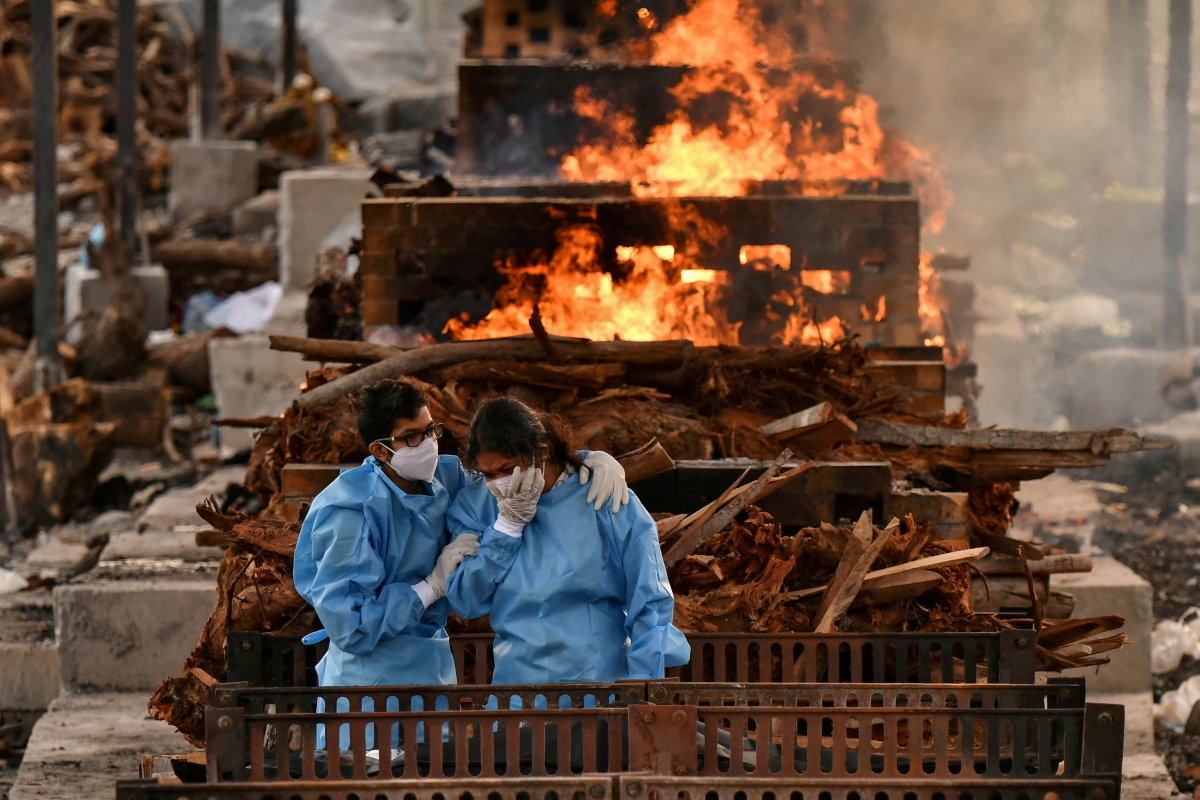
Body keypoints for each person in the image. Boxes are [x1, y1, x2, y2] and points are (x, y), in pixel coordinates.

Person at [293, 378, 631, 692]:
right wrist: (429, 589)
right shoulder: (350, 512)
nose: (427, 445)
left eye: (431, 431)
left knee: (430, 757)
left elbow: (512, 468)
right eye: (412, 438)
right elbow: (351, 628)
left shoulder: (445, 476)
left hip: (432, 667)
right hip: (366, 684)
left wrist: (586, 460)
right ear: (380, 451)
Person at [445, 397, 690, 685]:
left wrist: (643, 684)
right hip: (518, 693)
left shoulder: (602, 496)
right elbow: (466, 600)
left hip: (600, 687)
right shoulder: (478, 504)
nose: (499, 482)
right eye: (488, 473)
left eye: (508, 468)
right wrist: (505, 529)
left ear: (541, 452)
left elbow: (649, 601)